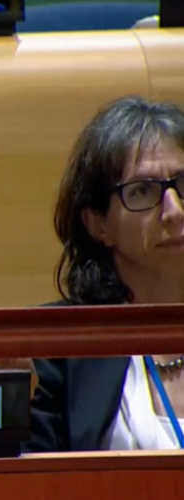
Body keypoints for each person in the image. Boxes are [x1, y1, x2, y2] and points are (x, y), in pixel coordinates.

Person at [28, 95, 184, 451]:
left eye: (183, 184)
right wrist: (5, 405)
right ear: (99, 224)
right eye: (143, 190)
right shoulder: (57, 346)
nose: (174, 211)